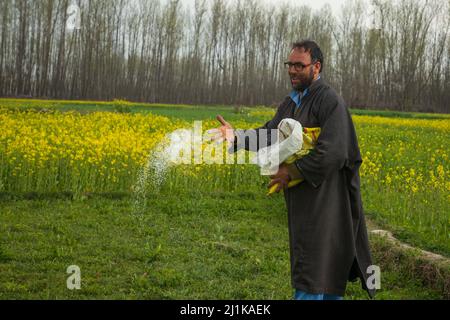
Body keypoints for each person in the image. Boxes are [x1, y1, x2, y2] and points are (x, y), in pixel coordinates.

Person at [210, 40, 376, 300]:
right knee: (322, 268)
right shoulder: (291, 103)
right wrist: (236, 138)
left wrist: (292, 172)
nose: (293, 70)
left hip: (327, 202)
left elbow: (334, 153)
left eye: (300, 65)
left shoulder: (330, 101)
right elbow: (270, 134)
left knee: (314, 269)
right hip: (305, 201)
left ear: (316, 67)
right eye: (290, 64)